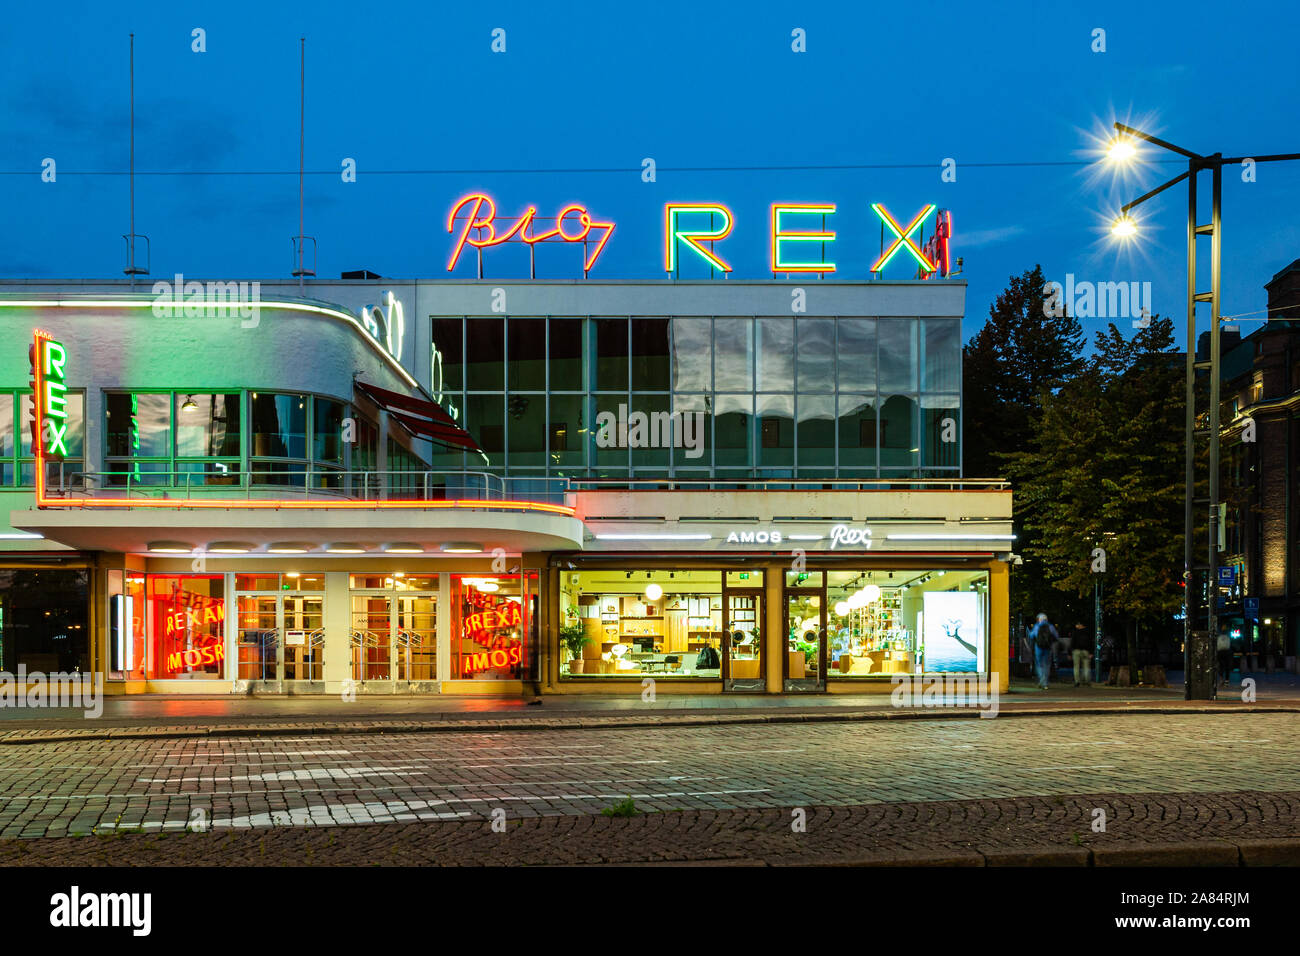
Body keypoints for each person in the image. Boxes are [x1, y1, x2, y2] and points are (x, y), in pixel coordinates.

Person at [1030, 613, 1058, 690]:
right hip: (1048, 648)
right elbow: (1056, 636)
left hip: (1038, 647)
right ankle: (1045, 683)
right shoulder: (1051, 626)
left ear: (1039, 619)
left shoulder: (1037, 626)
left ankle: (1041, 681)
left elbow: (1031, 636)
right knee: (1047, 665)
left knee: (1039, 665)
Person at [1071, 622, 1092, 687]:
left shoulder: (1075, 632)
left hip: (1076, 651)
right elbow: (1090, 642)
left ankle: (1077, 681)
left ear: (1080, 625)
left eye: (1077, 625)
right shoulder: (1088, 632)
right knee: (1086, 667)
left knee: (1076, 667)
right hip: (1086, 651)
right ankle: (1087, 681)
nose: (1076, 626)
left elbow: (1072, 642)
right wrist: (1091, 652)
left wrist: (1070, 653)